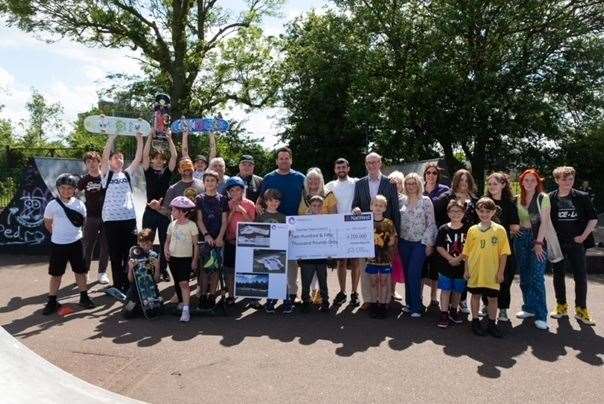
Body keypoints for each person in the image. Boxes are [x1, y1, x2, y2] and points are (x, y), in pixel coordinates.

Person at [256, 146, 305, 312]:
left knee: (292, 263)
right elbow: (260, 199)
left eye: (287, 158)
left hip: (293, 226)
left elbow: (308, 198)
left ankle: (292, 294)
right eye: (281, 158)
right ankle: (273, 294)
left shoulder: (300, 177)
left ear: (291, 160)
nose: (284, 160)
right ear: (277, 160)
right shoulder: (269, 177)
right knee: (272, 261)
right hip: (273, 225)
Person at [549, 166, 598, 325]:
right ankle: (561, 306)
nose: (568, 182)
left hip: (577, 244)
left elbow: (593, 219)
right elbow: (545, 221)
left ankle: (581, 309)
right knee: (558, 276)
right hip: (558, 244)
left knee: (581, 276)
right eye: (564, 179)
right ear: (557, 180)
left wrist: (583, 237)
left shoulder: (582, 197)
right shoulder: (550, 198)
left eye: (570, 179)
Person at [351, 152, 400, 309]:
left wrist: (397, 234)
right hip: (366, 233)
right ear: (366, 165)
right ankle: (368, 299)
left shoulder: (390, 183)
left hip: (385, 232)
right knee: (366, 267)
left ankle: (384, 299)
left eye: (375, 162)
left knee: (384, 268)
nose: (372, 165)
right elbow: (355, 204)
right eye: (368, 163)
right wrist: (356, 208)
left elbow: (395, 210)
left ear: (380, 163)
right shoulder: (359, 184)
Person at [42, 174, 95, 315]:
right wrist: (58, 235)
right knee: (56, 274)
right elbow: (48, 223)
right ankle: (52, 301)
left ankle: (84, 297)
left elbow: (82, 223)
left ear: (75, 190)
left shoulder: (80, 205)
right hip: (58, 244)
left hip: (76, 243)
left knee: (80, 271)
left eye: (70, 188)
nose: (66, 191)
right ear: (58, 188)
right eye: (63, 188)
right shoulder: (52, 205)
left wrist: (72, 235)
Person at [100, 133, 144, 292]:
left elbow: (138, 158)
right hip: (111, 220)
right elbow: (104, 158)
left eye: (121, 157)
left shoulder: (127, 173)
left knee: (130, 253)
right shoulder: (106, 174)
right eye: (116, 157)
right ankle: (117, 284)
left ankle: (129, 283)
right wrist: (111, 138)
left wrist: (139, 139)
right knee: (115, 253)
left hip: (129, 219)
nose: (119, 160)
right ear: (111, 161)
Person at [462, 197, 511, 338]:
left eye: (488, 211)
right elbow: (466, 253)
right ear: (477, 211)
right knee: (475, 295)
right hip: (475, 270)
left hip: (492, 272)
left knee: (492, 298)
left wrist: (501, 272)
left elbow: (504, 253)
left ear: (493, 211)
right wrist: (466, 269)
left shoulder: (500, 230)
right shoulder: (472, 230)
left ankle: (491, 323)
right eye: (481, 211)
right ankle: (475, 321)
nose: (484, 214)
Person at [434, 169, 479, 314]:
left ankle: (461, 301)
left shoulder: (474, 199)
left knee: (463, 273)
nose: (463, 183)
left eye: (466, 180)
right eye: (461, 180)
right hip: (449, 242)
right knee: (449, 276)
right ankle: (447, 309)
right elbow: (437, 215)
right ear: (456, 181)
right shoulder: (447, 197)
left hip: (468, 242)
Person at [480, 172, 520, 322]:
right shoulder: (483, 202)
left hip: (504, 249)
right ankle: (486, 305)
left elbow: (515, 227)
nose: (492, 187)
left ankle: (503, 310)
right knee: (486, 278)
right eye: (489, 184)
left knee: (504, 279)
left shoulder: (509, 204)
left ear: (503, 184)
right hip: (485, 249)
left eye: (495, 184)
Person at [514, 169, 550, 330]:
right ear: (521, 182)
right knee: (524, 275)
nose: (529, 183)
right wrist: (512, 229)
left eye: (532, 180)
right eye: (526, 180)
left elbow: (544, 223)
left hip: (538, 239)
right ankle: (529, 307)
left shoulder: (543, 198)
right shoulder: (517, 199)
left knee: (537, 277)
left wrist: (538, 243)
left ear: (537, 182)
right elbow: (513, 220)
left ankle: (541, 314)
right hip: (521, 238)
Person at [398, 173, 437, 318]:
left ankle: (417, 307)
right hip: (404, 242)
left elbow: (432, 224)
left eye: (414, 183)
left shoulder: (426, 201)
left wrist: (428, 244)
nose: (411, 186)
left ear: (419, 184)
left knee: (414, 272)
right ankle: (409, 304)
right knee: (408, 274)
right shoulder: (402, 201)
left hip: (420, 243)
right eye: (408, 183)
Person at [141, 129, 177, 282]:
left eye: (161, 159)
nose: (158, 161)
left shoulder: (167, 173)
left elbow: (174, 156)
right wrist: (149, 136)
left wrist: (169, 139)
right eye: (155, 158)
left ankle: (162, 270)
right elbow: (144, 155)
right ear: (152, 160)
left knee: (165, 243)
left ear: (163, 161)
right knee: (146, 241)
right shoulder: (148, 171)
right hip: (149, 212)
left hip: (163, 213)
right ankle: (146, 268)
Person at [326, 158, 360, 307]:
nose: (341, 170)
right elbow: (314, 190)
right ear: (335, 170)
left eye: (343, 167)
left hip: (355, 227)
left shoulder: (357, 182)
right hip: (338, 228)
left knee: (355, 262)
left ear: (348, 168)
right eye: (338, 167)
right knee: (341, 262)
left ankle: (354, 293)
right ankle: (342, 292)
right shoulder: (329, 185)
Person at [195, 169, 229, 310]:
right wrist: (207, 235)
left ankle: (211, 295)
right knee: (203, 269)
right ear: (203, 183)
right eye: (207, 180)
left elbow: (224, 221)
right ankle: (203, 295)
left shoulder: (222, 199)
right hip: (205, 239)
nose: (209, 183)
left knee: (215, 269)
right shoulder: (199, 199)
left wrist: (220, 237)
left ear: (217, 182)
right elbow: (199, 220)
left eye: (212, 180)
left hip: (219, 239)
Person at [165, 196, 199, 322]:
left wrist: (194, 260)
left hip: (186, 259)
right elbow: (167, 241)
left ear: (183, 212)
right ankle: (181, 301)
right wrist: (165, 251)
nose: (172, 212)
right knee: (177, 282)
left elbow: (196, 245)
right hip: (173, 258)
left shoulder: (192, 225)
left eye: (174, 210)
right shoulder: (171, 224)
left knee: (184, 283)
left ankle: (186, 309)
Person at [435, 199, 468, 328]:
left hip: (461, 266)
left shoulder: (468, 229)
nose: (455, 214)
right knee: (446, 289)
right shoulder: (443, 229)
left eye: (459, 211)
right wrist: (450, 258)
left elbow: (469, 248)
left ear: (463, 213)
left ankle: (454, 310)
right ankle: (444, 312)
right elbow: (439, 246)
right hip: (445, 265)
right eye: (452, 211)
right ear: (448, 213)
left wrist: (459, 259)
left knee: (457, 290)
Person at [77, 151, 109, 284]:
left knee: (105, 246)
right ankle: (85, 272)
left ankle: (102, 273)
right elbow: (75, 194)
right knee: (88, 246)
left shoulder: (106, 177)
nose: (91, 164)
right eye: (88, 162)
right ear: (86, 164)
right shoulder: (84, 179)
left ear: (99, 162)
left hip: (107, 217)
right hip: (90, 217)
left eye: (94, 161)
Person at [422, 163, 450, 308]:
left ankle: (433, 297)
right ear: (425, 174)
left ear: (437, 175)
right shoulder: (419, 189)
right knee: (421, 266)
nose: (431, 175)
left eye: (434, 173)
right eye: (428, 173)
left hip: (438, 233)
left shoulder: (444, 190)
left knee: (435, 266)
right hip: (421, 233)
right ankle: (419, 297)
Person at [224, 176, 256, 304]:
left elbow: (253, 224)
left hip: (246, 242)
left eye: (238, 190)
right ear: (228, 192)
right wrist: (232, 212)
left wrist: (242, 212)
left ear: (242, 191)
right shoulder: (227, 204)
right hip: (231, 241)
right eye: (232, 190)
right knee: (230, 269)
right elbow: (224, 224)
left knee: (247, 269)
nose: (235, 193)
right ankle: (231, 295)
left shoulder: (249, 204)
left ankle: (249, 295)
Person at [365, 195, 397, 319]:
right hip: (371, 259)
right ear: (371, 206)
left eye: (381, 205)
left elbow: (392, 240)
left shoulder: (388, 223)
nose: (378, 207)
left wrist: (386, 250)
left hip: (384, 259)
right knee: (373, 282)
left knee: (384, 282)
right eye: (375, 205)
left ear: (385, 208)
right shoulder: (366, 221)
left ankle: (383, 306)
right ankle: (374, 305)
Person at [256, 188, 287, 313]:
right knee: (268, 277)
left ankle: (286, 301)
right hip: (265, 252)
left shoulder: (283, 217)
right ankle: (270, 300)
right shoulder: (261, 217)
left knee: (281, 277)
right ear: (265, 202)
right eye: (270, 201)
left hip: (279, 252)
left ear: (279, 203)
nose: (273, 203)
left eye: (276, 201)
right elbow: (256, 234)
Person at [299, 195, 330, 313]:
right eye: (314, 205)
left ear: (322, 207)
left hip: (322, 257)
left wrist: (331, 253)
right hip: (307, 257)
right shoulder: (302, 220)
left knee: (323, 281)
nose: (316, 207)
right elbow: (299, 238)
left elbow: (330, 237)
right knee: (305, 281)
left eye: (319, 205)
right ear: (310, 206)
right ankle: (305, 301)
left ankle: (325, 301)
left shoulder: (327, 220)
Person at [123, 229, 160, 319]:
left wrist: (157, 266)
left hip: (150, 291)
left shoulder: (154, 256)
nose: (145, 247)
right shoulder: (134, 255)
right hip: (135, 291)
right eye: (142, 244)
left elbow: (156, 280)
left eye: (148, 244)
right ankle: (132, 303)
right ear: (138, 243)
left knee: (158, 312)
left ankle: (141, 307)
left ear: (152, 243)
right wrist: (131, 268)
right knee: (127, 313)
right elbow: (130, 280)